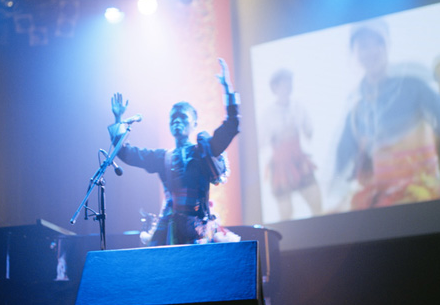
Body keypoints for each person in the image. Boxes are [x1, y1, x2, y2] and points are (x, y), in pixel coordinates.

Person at [333, 19, 440, 210]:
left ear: (387, 45)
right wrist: (336, 198)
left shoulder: (413, 87)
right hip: (382, 203)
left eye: (377, 43)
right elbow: (341, 160)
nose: (371, 51)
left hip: (422, 195)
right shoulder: (357, 110)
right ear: (355, 53)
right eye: (363, 46)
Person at [108, 58, 240, 246]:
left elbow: (231, 126)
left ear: (194, 123)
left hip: (198, 231)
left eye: (183, 117)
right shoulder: (162, 157)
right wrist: (118, 118)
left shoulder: (204, 151)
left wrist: (228, 90)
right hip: (169, 232)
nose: (177, 121)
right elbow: (126, 154)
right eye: (173, 118)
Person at [260, 68, 322, 220]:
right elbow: (261, 142)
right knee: (286, 212)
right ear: (275, 87)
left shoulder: (298, 107)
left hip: (299, 161)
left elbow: (309, 131)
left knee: (316, 200)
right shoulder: (268, 113)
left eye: (289, 83)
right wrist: (277, 136)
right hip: (280, 164)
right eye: (284, 83)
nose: (288, 87)